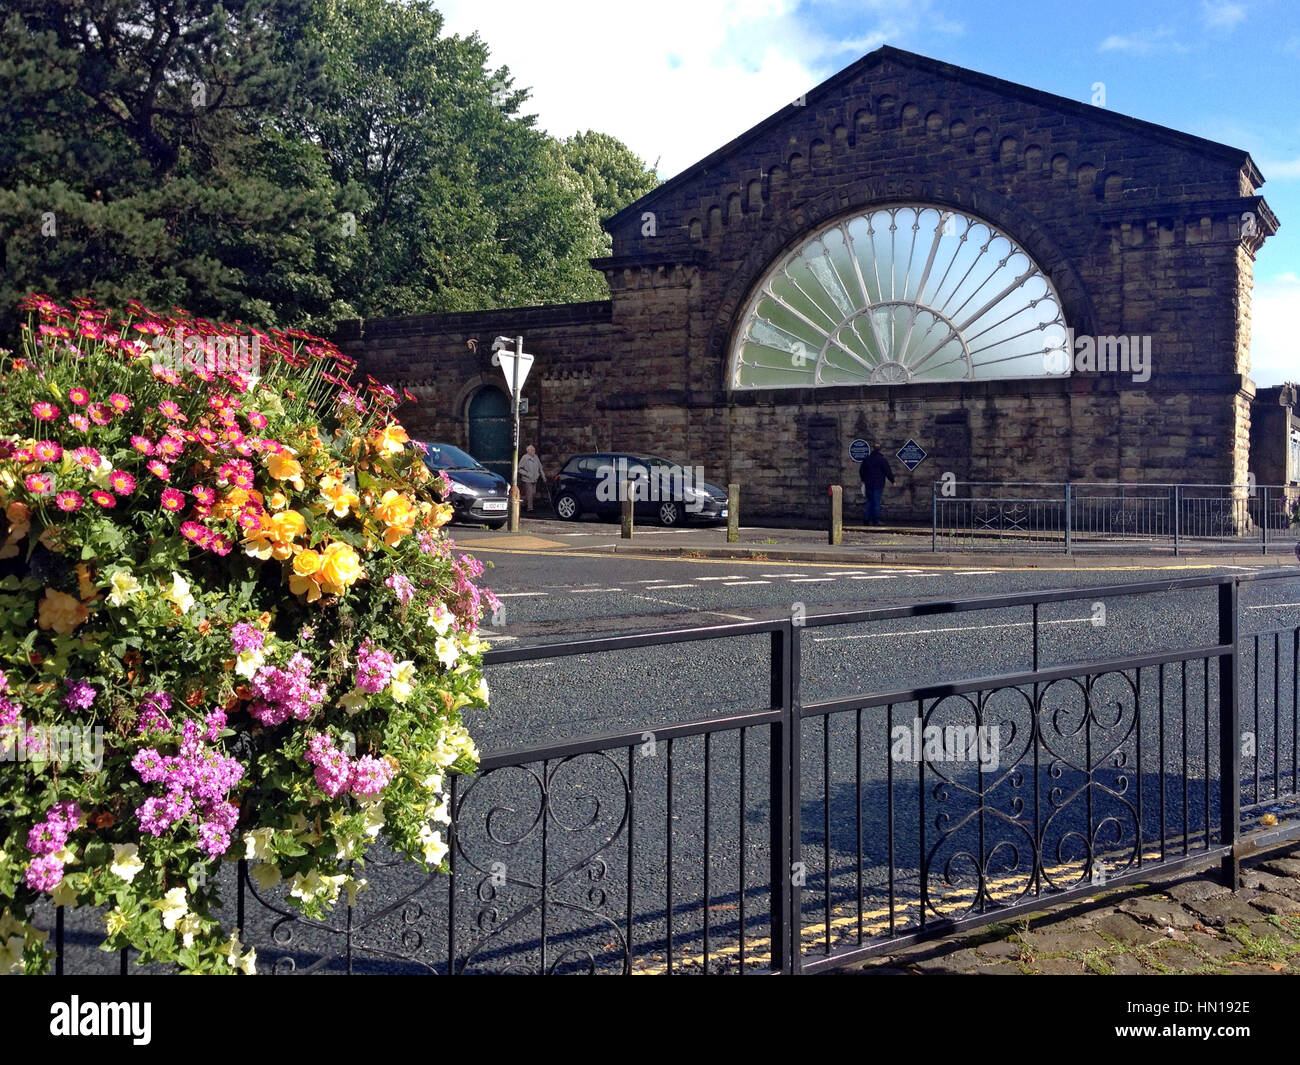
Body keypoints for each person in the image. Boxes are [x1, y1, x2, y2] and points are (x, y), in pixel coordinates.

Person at [859, 443, 895, 526]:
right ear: (880, 450)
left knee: (869, 502)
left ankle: (866, 519)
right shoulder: (882, 460)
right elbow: (887, 471)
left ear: (872, 449)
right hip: (878, 484)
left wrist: (863, 480)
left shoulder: (866, 459)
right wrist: (892, 480)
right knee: (876, 502)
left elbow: (861, 471)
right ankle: (875, 521)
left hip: (868, 484)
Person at [518, 444, 544, 512]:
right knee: (529, 494)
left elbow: (540, 467)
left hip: (534, 479)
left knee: (533, 493)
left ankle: (522, 504)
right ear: (528, 451)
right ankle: (530, 508)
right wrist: (527, 474)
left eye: (534, 450)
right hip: (527, 479)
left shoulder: (536, 457)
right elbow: (519, 469)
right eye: (532, 450)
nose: (534, 451)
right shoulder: (524, 458)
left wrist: (543, 476)